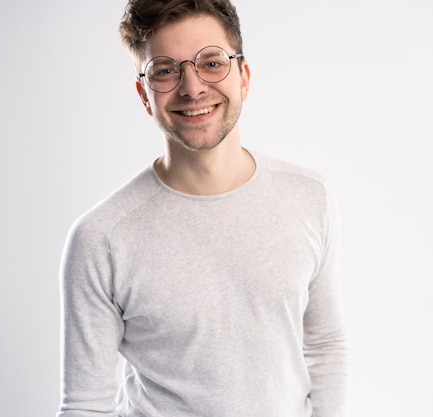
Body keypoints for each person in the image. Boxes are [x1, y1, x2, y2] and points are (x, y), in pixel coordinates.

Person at [57, 0, 349, 416]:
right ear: (144, 94)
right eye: (165, 70)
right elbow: (85, 405)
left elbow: (324, 345)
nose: (192, 88)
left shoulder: (309, 196)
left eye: (211, 63)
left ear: (243, 78)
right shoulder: (100, 238)